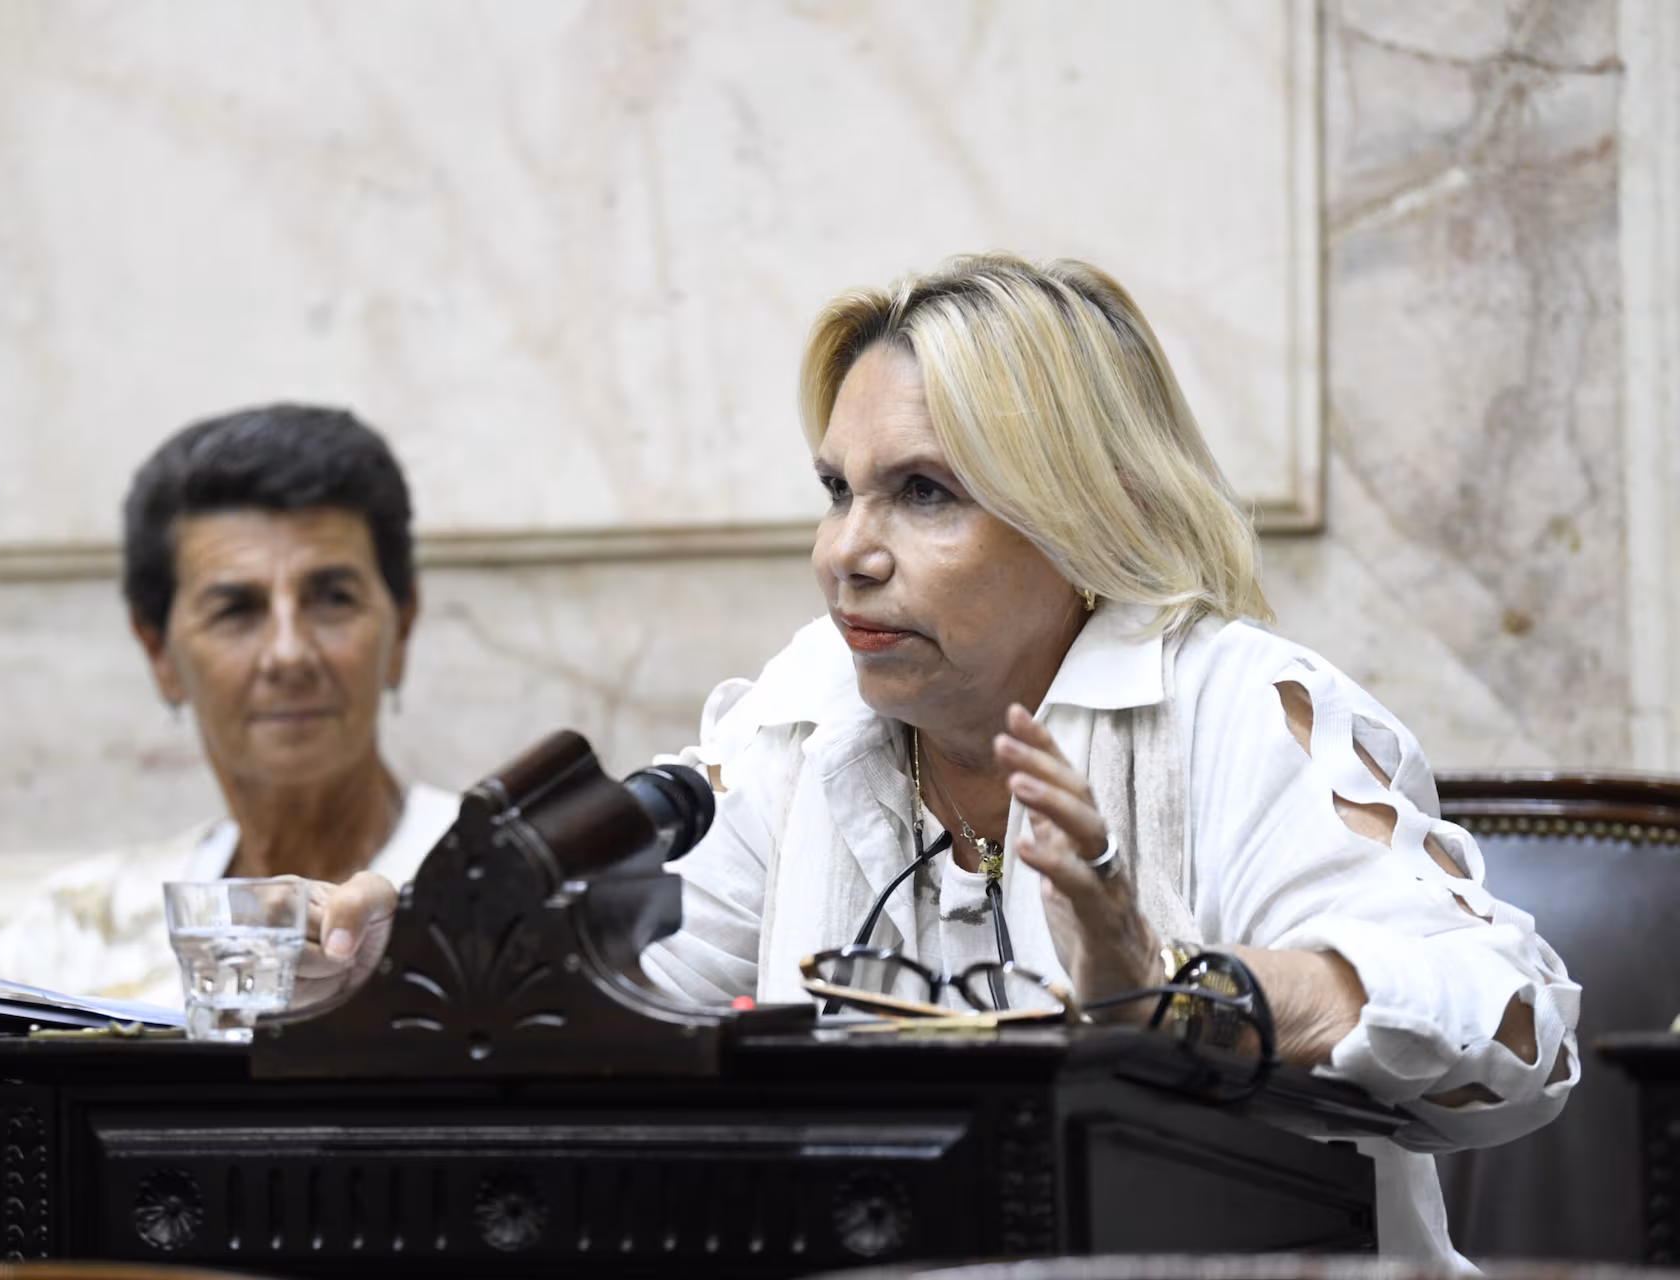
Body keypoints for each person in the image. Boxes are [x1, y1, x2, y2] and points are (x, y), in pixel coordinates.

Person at [636, 254, 1578, 1265]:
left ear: (1081, 516)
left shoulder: (1234, 707)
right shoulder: (807, 711)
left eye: (923, 492)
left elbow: (1514, 1031)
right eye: (838, 490)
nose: (845, 553)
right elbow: (638, 999)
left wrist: (1175, 996)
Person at [0, 404, 459, 1008]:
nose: (289, 654)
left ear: (403, 627)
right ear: (159, 652)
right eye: (236, 610)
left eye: (333, 598)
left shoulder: (509, 894)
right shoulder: (69, 944)